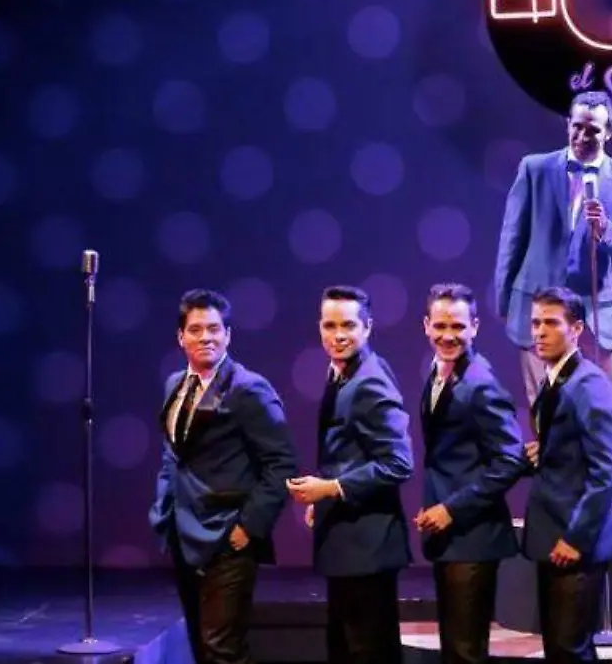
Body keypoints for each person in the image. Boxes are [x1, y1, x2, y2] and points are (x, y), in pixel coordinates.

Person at [494, 90, 612, 525]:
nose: (583, 135)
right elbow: (513, 234)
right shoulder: (535, 169)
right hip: (537, 303)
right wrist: (505, 298)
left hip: (595, 307)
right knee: (544, 401)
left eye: (593, 129)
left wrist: (607, 231)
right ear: (568, 124)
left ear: (610, 132)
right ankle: (559, 486)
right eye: (577, 126)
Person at [148, 289, 298, 664]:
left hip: (228, 537)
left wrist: (249, 528)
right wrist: (163, 508)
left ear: (228, 335)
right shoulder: (175, 384)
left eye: (214, 329)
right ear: (181, 336)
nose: (206, 338)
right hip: (183, 532)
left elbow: (281, 463)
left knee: (222, 649)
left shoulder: (248, 389)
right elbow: (173, 453)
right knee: (201, 646)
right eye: (196, 330)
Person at [287, 285, 414, 664]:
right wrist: (325, 499)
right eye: (330, 325)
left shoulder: (370, 380)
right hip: (349, 545)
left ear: (368, 327)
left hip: (367, 549)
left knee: (367, 651)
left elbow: (398, 462)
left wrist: (331, 488)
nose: (338, 335)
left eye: (348, 325)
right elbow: (350, 452)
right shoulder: (343, 372)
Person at [412, 282, 528, 664]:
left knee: (465, 651)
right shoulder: (439, 372)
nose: (448, 336)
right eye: (440, 326)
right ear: (426, 325)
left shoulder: (480, 383)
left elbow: (509, 460)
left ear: (475, 327)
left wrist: (451, 508)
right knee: (455, 648)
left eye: (458, 326)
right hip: (451, 537)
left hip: (473, 537)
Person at [520, 286, 612, 662]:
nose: (540, 332)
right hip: (556, 531)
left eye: (551, 323)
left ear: (577, 329)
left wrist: (576, 538)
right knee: (560, 647)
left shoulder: (590, 384)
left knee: (569, 649)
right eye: (536, 323)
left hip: (577, 538)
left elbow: (606, 471)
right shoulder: (556, 380)